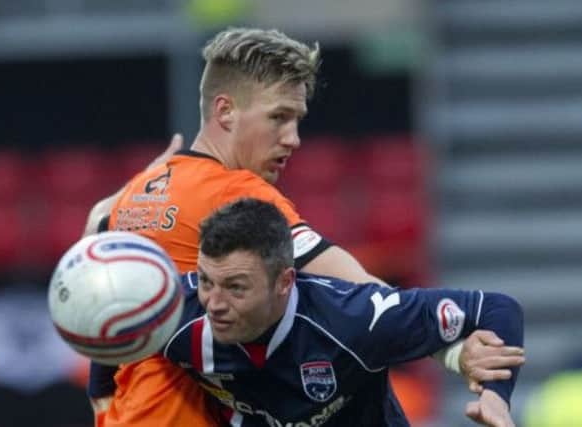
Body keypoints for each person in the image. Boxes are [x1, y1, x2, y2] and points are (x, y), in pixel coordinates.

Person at [85, 27, 525, 426]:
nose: (293, 138)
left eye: (297, 120)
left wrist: (101, 394)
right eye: (278, 117)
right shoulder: (236, 193)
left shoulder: (133, 196)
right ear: (226, 112)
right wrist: (452, 352)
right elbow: (368, 293)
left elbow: (105, 314)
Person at [89, 198, 524, 426]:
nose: (214, 303)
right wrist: (101, 394)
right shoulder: (180, 310)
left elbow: (497, 308)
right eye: (206, 280)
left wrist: (494, 399)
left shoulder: (355, 320)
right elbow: (115, 322)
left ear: (284, 282)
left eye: (236, 287)